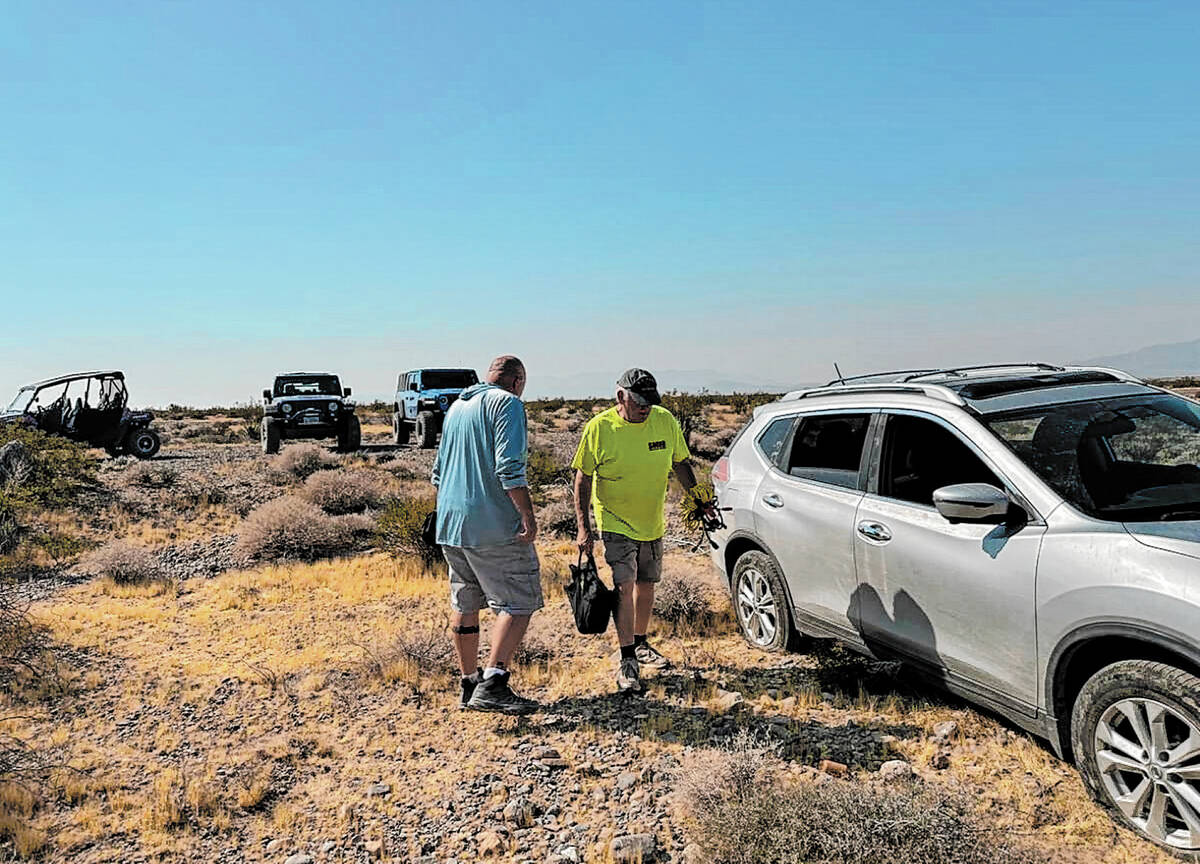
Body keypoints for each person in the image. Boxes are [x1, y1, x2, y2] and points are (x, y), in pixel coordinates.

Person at [571, 369, 714, 692]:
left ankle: (640, 642)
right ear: (620, 396)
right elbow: (583, 479)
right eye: (639, 401)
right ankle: (627, 660)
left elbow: (680, 463)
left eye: (650, 401)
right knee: (625, 586)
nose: (645, 407)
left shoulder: (664, 420)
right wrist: (584, 527)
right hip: (615, 521)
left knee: (646, 585)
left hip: (652, 521)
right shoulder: (600, 428)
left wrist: (698, 499)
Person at [431, 355, 540, 715]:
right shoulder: (507, 405)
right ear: (517, 381)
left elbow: (438, 471)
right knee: (519, 601)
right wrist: (526, 514)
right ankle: (494, 683)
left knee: (466, 604)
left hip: (451, 524)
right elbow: (509, 466)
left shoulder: (457, 408)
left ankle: (468, 683)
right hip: (492, 524)